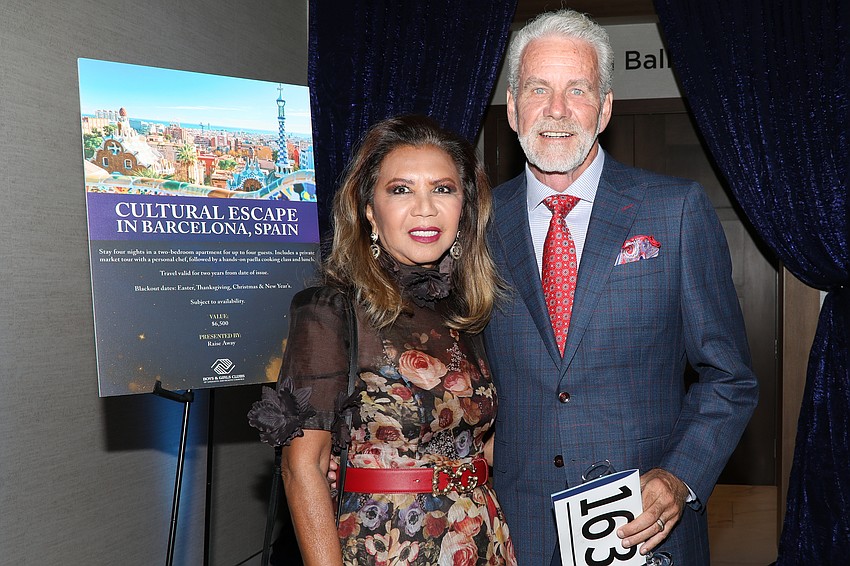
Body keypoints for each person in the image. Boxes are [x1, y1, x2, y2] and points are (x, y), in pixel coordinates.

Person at [483, 9, 759, 565]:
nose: (556, 110)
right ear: (512, 107)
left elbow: (729, 378)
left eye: (577, 90)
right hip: (514, 529)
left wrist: (681, 476)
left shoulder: (675, 210)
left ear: (604, 108)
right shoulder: (477, 224)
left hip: (642, 524)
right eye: (538, 89)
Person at [248, 114, 516, 565]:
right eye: (401, 189)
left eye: (443, 189)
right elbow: (303, 468)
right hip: (389, 542)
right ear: (369, 209)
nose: (425, 208)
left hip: (482, 535)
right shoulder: (331, 310)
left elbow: (481, 440)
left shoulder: (468, 312)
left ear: (465, 207)